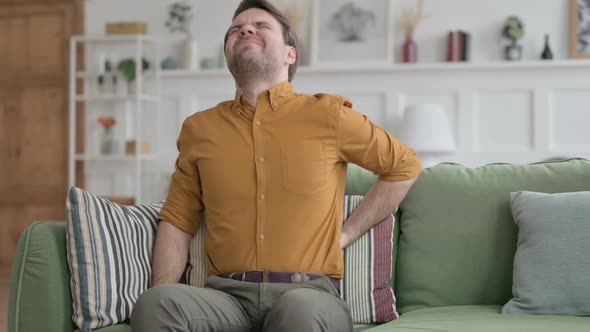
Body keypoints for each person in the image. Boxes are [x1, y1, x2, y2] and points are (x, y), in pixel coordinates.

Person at [132, 0, 422, 331]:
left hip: (309, 294)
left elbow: (404, 166)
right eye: (235, 29)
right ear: (228, 55)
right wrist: (163, 288)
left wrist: (347, 233)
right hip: (225, 299)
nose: (245, 29)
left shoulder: (329, 116)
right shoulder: (200, 129)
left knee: (298, 311)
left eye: (261, 25)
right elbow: (177, 221)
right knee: (156, 304)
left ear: (290, 54)